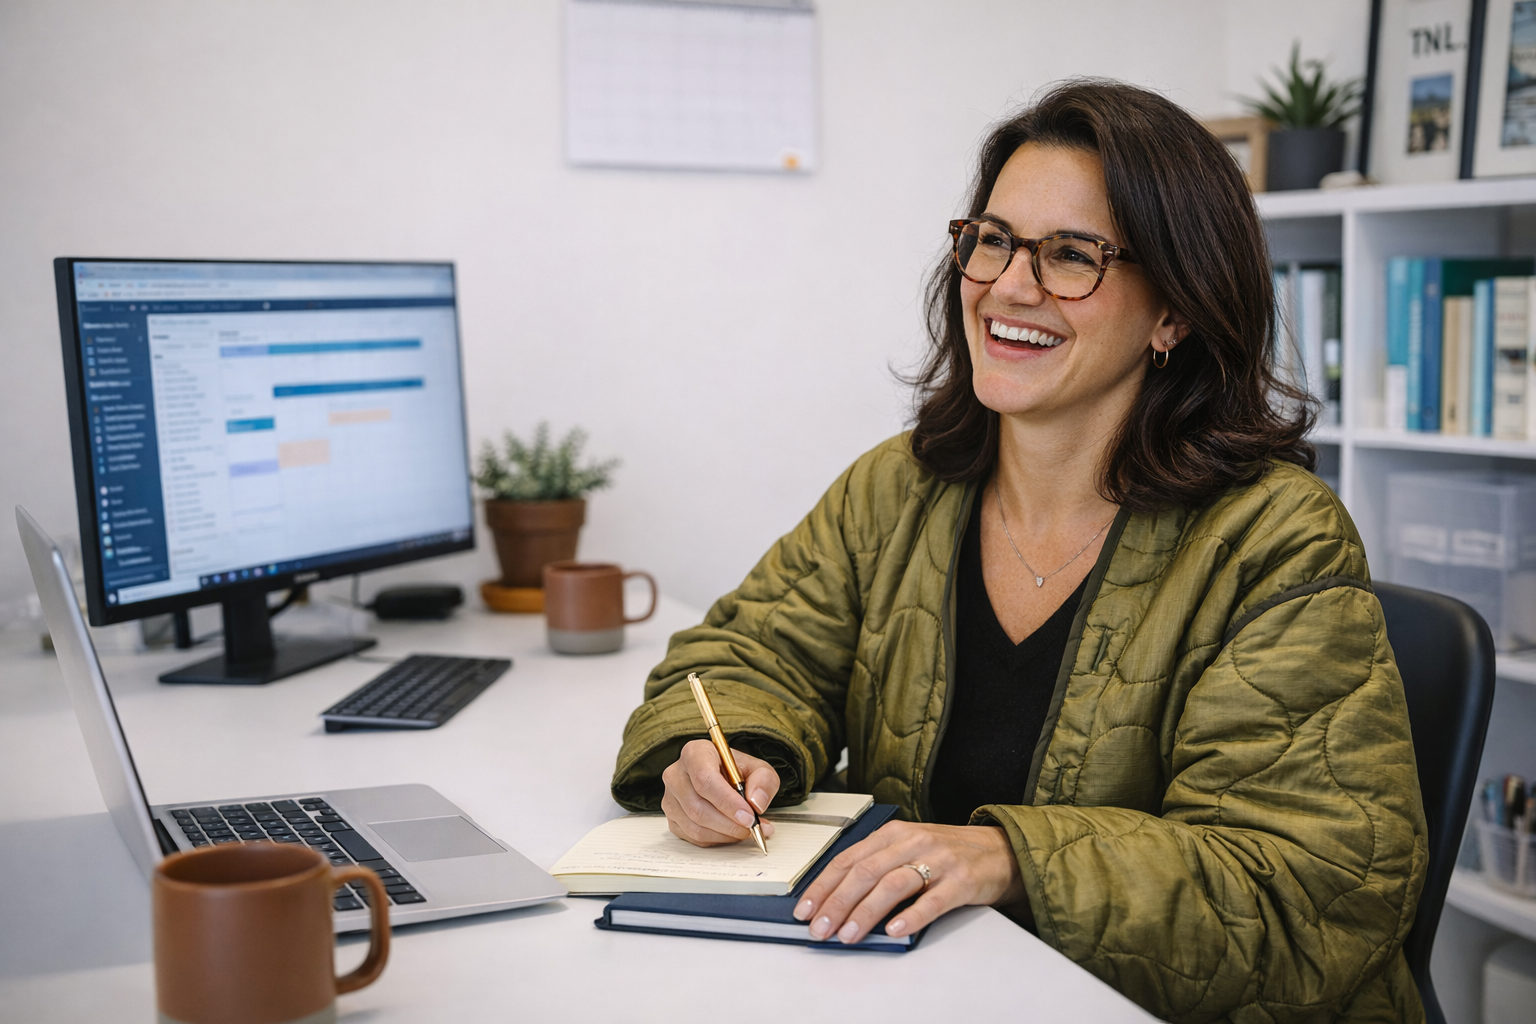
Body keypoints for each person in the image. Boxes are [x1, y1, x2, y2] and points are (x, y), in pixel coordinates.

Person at [610, 80, 1427, 1024]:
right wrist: (726, 750)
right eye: (992, 240)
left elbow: (1307, 895)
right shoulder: (902, 487)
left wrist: (1011, 860)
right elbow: (747, 654)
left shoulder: (1274, 540)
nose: (1008, 285)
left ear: (1176, 313)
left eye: (1071, 255)